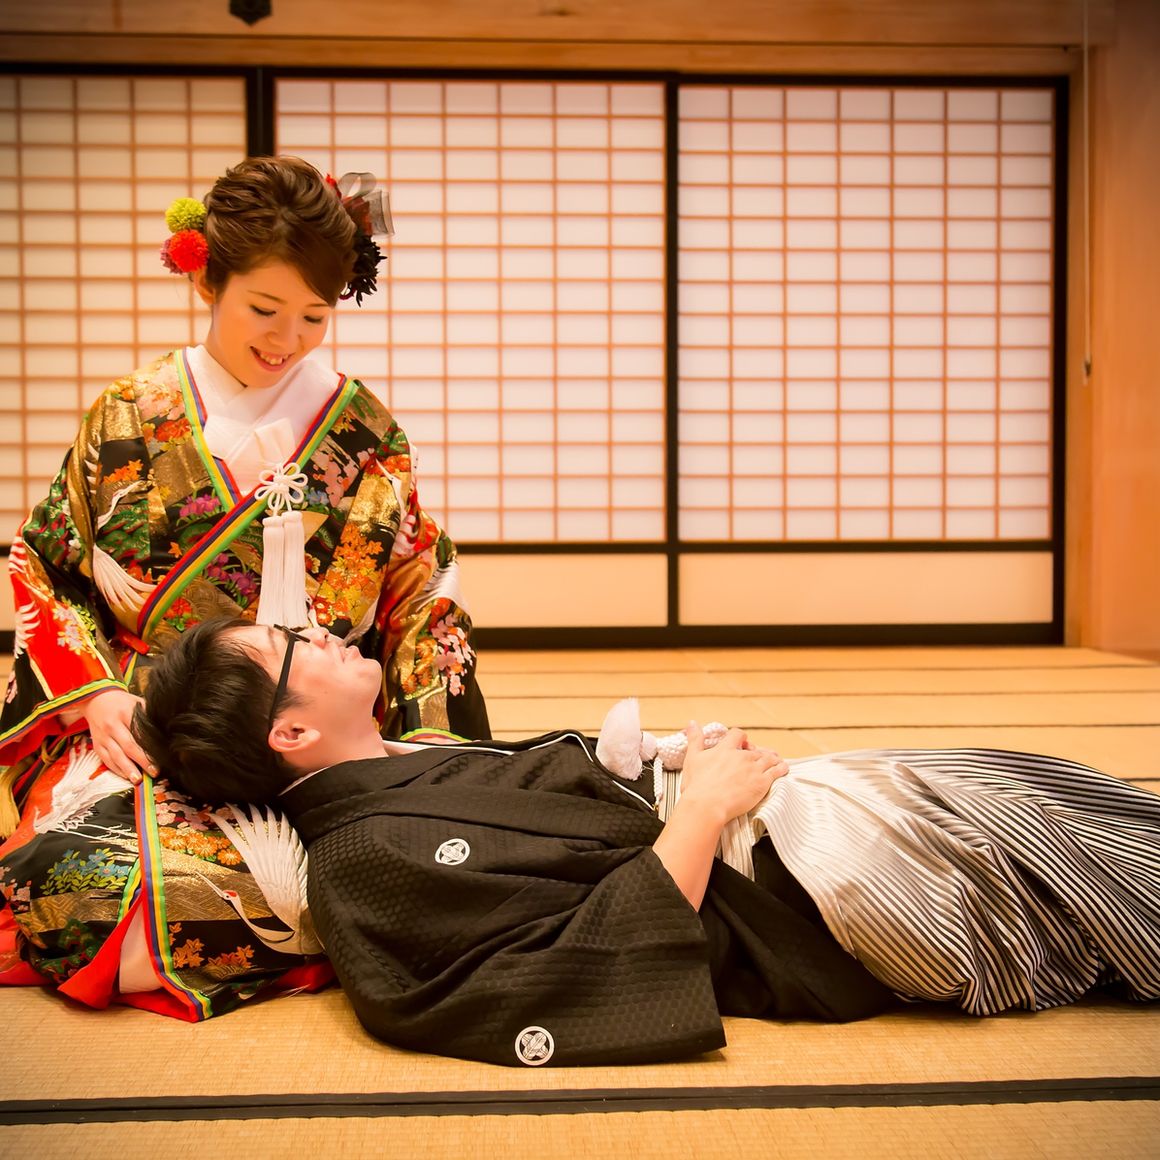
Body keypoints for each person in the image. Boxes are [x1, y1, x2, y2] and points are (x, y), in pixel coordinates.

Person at [131, 618, 1160, 1068]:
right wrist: (702, 807)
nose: (319, 630)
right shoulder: (361, 862)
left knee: (1043, 793)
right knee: (1061, 855)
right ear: (289, 735)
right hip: (804, 897)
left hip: (787, 826)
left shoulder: (409, 760)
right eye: (292, 647)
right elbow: (553, 974)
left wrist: (682, 765)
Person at [0, 156, 489, 831]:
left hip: (327, 736)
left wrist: (431, 735)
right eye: (264, 309)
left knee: (405, 849)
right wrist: (95, 695)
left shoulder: (364, 430)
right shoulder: (130, 414)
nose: (287, 340)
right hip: (157, 722)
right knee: (93, 865)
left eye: (314, 316)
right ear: (205, 278)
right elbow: (48, 566)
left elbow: (420, 592)